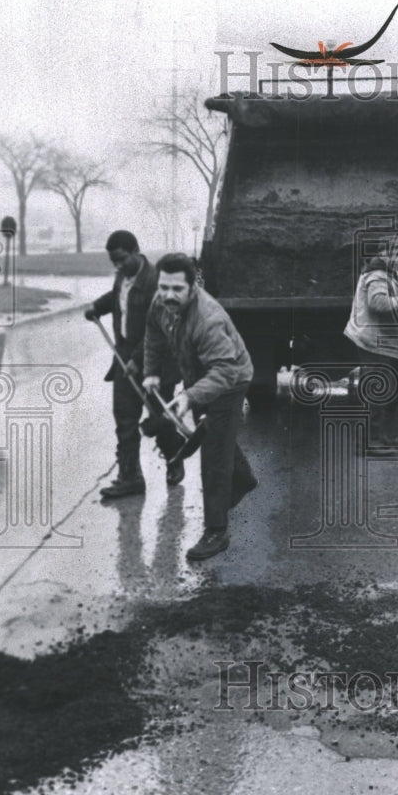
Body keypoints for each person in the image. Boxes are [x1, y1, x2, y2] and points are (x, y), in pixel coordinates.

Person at [143, 253, 258, 561]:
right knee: (216, 437)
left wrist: (189, 396)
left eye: (177, 289)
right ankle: (244, 478)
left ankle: (216, 532)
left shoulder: (209, 318)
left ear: (192, 287)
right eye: (164, 286)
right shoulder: (161, 302)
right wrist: (151, 371)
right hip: (199, 376)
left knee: (214, 456)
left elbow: (225, 372)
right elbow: (154, 333)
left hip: (229, 381)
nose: (168, 294)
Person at [84, 230, 185, 498]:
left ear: (135, 250)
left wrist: (137, 361)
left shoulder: (155, 283)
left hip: (157, 363)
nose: (117, 266)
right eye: (113, 262)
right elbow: (117, 297)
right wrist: (97, 306)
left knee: (158, 419)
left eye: (121, 260)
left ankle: (174, 456)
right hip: (124, 357)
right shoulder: (123, 276)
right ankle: (131, 478)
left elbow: (159, 332)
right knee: (125, 419)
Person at [344, 237, 398, 454]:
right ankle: (371, 442)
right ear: (386, 253)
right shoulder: (377, 274)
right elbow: (378, 303)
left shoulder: (387, 273)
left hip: (380, 340)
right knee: (377, 390)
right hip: (373, 341)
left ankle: (381, 437)